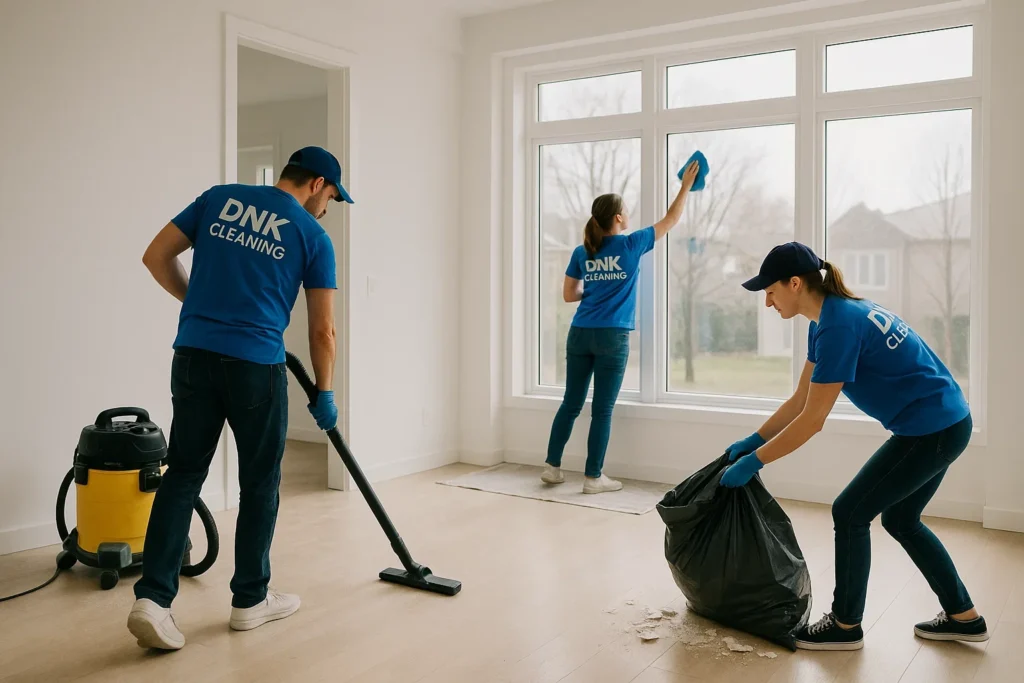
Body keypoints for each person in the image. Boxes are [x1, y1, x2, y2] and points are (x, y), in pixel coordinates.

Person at [126, 146, 353, 651]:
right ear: (317, 184)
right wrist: (326, 391)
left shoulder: (219, 199)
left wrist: (199, 303)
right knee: (260, 483)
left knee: (182, 474)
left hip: (193, 356)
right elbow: (324, 331)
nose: (327, 209)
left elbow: (155, 256)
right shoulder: (313, 236)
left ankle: (153, 601)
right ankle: (250, 600)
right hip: (256, 369)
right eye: (332, 198)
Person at [720, 241, 986, 651]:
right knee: (901, 519)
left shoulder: (838, 326)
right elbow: (801, 400)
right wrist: (755, 439)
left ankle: (845, 625)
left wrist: (754, 462)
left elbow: (812, 421)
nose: (768, 302)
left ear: (795, 284)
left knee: (849, 512)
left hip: (932, 430)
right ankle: (964, 617)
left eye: (770, 292)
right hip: (945, 422)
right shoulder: (829, 320)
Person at [542, 160, 702, 494]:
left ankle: (552, 468)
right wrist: (686, 186)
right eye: (626, 210)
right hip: (612, 337)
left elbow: (569, 295)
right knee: (602, 410)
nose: (628, 214)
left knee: (570, 404)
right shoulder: (631, 244)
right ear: (618, 218)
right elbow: (671, 219)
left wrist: (594, 290)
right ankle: (593, 478)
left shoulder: (582, 251)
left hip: (580, 333)